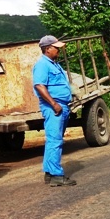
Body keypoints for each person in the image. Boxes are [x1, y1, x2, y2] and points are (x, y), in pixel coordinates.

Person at [32, 35, 76, 187]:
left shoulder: (53, 64)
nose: (58, 50)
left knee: (54, 140)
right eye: (56, 48)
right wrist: (54, 104)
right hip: (54, 108)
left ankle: (50, 173)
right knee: (55, 140)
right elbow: (39, 85)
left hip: (61, 106)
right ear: (47, 49)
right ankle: (57, 175)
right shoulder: (42, 65)